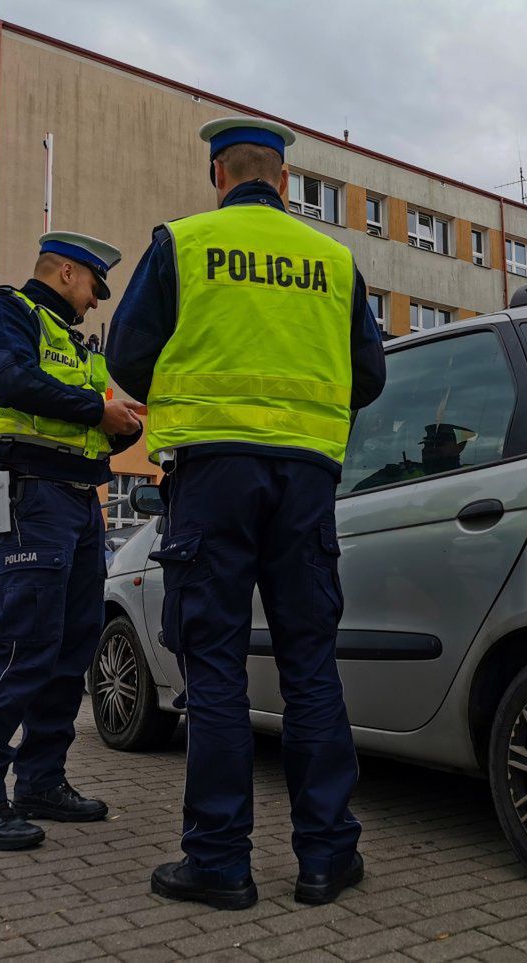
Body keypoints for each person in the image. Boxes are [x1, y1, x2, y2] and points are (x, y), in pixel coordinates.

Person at [107, 116, 386, 910]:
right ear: (285, 183)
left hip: (212, 474)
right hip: (305, 477)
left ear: (218, 177)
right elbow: (368, 375)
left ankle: (222, 862)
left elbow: (128, 354)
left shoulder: (185, 243)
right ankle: (328, 857)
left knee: (217, 665)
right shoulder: (335, 260)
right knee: (309, 663)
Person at [0, 232, 145, 850]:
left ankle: (40, 781)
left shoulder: (80, 348)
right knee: (23, 643)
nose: (93, 303)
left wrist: (120, 423)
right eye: (91, 287)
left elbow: (98, 430)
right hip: (32, 495)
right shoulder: (3, 315)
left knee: (72, 643)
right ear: (64, 272)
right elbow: (10, 382)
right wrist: (96, 410)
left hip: (82, 502)